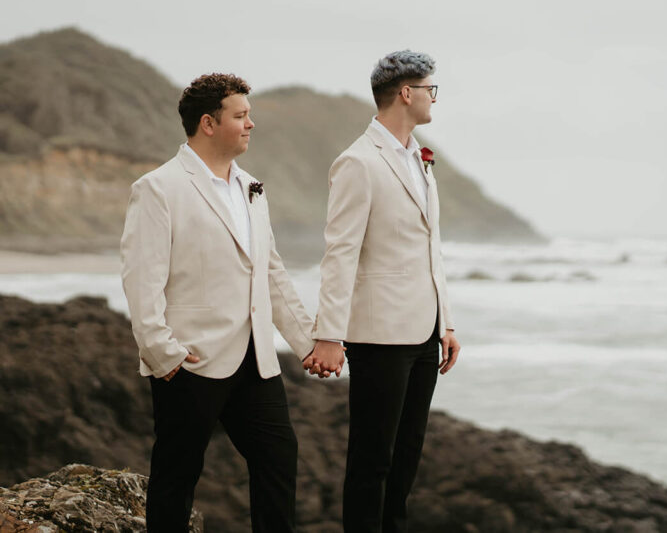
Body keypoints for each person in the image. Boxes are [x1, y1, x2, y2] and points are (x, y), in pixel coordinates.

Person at [120, 73, 334, 533]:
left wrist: (308, 343)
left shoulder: (252, 187)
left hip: (255, 360)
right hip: (190, 359)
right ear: (208, 123)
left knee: (279, 458)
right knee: (178, 473)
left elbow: (270, 272)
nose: (250, 124)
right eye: (241, 116)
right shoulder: (159, 188)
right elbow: (142, 278)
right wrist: (162, 353)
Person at [304, 50, 460, 532]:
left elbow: (430, 250)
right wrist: (330, 334)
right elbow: (340, 253)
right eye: (431, 88)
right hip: (377, 335)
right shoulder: (357, 162)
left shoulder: (420, 158)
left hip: (423, 334)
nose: (435, 97)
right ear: (406, 93)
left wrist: (446, 322)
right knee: (373, 459)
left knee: (407, 456)